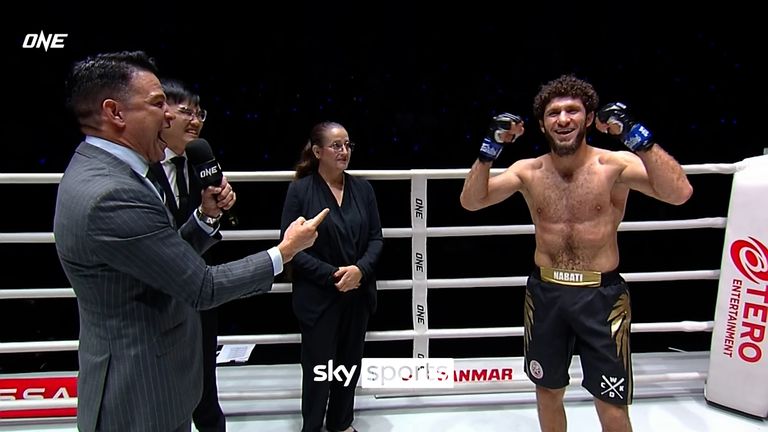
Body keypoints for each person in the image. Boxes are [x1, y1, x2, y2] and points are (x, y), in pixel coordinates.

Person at [54, 50, 328, 432]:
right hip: (138, 392)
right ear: (115, 113)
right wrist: (286, 251)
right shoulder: (111, 193)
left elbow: (157, 255)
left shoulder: (107, 169)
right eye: (157, 104)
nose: (169, 116)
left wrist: (205, 218)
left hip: (154, 379)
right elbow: (202, 286)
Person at [460, 74, 693, 432]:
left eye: (573, 110)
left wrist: (638, 137)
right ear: (542, 125)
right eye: (554, 113)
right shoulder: (529, 171)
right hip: (546, 294)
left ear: (589, 118)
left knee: (611, 402)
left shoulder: (613, 165)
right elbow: (472, 201)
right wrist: (488, 149)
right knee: (547, 391)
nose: (563, 119)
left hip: (601, 297)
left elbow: (679, 193)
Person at [280, 122, 383, 432]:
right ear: (317, 151)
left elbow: (376, 239)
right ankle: (312, 426)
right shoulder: (300, 191)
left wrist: (360, 270)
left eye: (347, 145)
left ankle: (341, 422)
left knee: (349, 364)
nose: (344, 151)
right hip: (318, 296)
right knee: (318, 368)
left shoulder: (363, 189)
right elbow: (290, 248)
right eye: (336, 145)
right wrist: (334, 275)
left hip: (357, 293)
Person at [149, 78, 228, 431]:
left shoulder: (200, 163)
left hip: (199, 287)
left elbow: (208, 225)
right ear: (162, 113)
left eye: (200, 114)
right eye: (186, 112)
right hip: (155, 297)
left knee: (205, 384)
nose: (195, 121)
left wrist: (217, 208)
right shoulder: (140, 168)